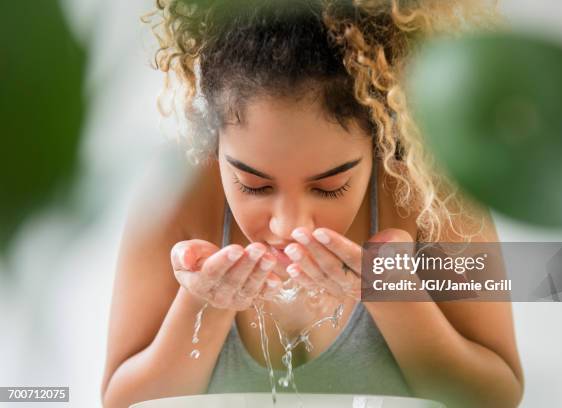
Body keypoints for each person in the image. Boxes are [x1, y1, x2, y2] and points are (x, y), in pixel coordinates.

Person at [101, 1, 524, 407]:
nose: (289, 226)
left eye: (329, 187)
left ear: (379, 138)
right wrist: (206, 305)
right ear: (214, 142)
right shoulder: (174, 201)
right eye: (253, 185)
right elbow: (122, 402)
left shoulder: (430, 194)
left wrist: (393, 295)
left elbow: (496, 397)